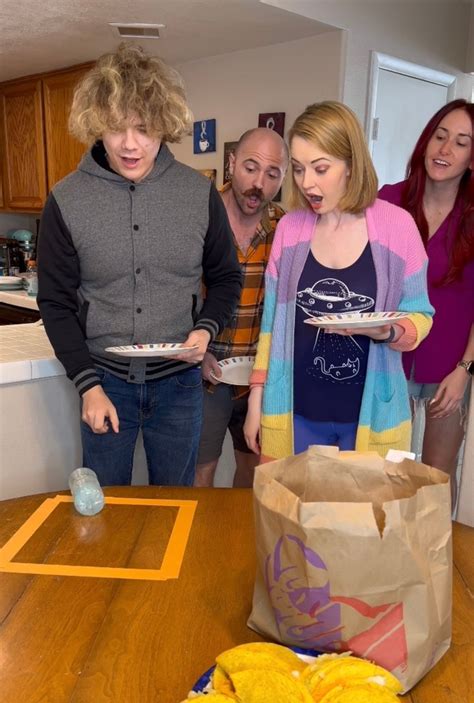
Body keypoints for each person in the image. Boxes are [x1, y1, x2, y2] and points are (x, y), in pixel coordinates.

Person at [37, 44, 242, 487]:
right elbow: (55, 303)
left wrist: (205, 330)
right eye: (116, 128)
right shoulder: (66, 200)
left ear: (164, 126)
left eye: (144, 129)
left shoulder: (198, 194)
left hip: (181, 386)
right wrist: (88, 386)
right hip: (104, 383)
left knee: (176, 506)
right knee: (106, 508)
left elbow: (227, 278)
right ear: (97, 125)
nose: (130, 144)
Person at [244, 101, 434, 461]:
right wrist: (257, 398)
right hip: (295, 413)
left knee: (368, 501)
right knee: (290, 499)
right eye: (298, 169)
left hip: (371, 417)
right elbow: (271, 326)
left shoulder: (398, 228)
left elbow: (421, 316)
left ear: (351, 164)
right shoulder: (289, 230)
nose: (307, 183)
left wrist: (388, 331)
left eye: (320, 168)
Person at [379, 100, 473, 502]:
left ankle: (434, 546)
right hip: (388, 360)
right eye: (440, 136)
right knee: (388, 475)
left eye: (461, 143)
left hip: (449, 369)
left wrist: (465, 369)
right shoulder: (388, 201)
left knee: (436, 478)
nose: (445, 149)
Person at [194, 128, 288, 487]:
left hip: (259, 377)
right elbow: (177, 292)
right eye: (250, 168)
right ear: (231, 164)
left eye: (272, 174)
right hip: (207, 374)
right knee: (201, 472)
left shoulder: (284, 229)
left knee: (254, 473)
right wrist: (197, 352)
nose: (258, 184)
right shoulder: (200, 218)